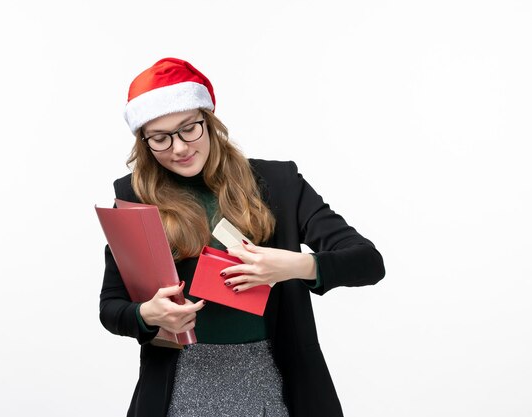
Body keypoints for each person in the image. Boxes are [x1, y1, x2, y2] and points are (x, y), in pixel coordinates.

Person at [99, 57, 385, 417]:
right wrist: (147, 314)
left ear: (210, 121)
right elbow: (111, 307)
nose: (179, 148)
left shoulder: (279, 184)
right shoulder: (134, 199)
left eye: (189, 128)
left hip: (273, 383)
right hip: (179, 387)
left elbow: (368, 262)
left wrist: (294, 265)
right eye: (160, 138)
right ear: (144, 143)